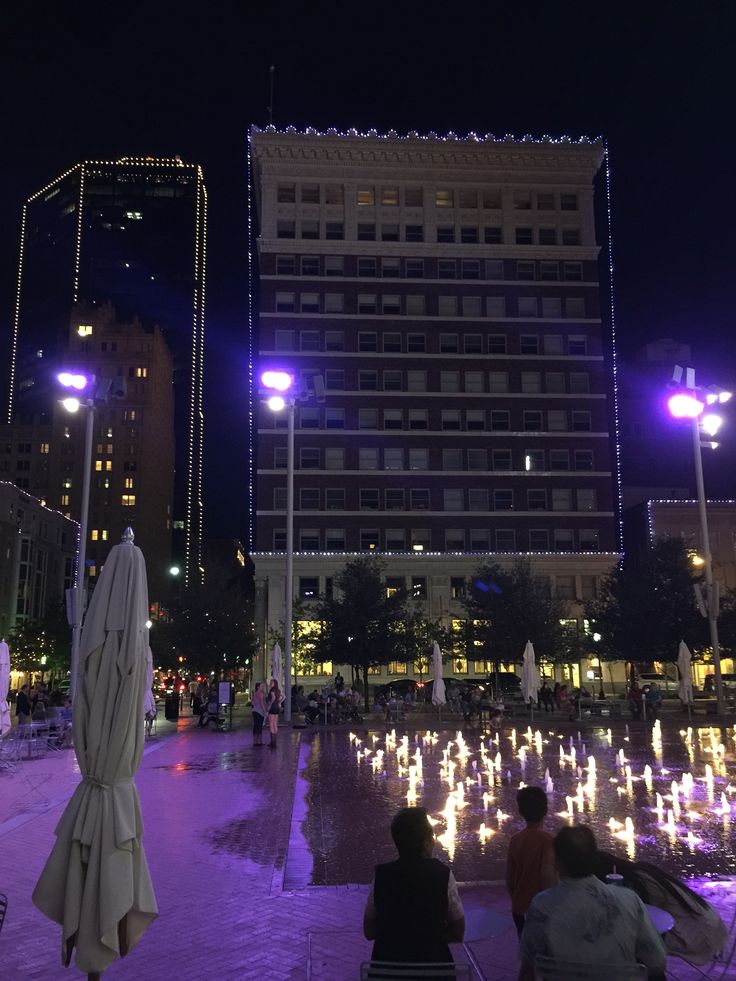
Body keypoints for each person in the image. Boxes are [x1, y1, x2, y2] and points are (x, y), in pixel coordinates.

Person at [518, 825, 666, 981]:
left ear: (558, 863)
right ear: (595, 859)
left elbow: (528, 963)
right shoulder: (629, 900)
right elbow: (657, 961)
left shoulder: (542, 906)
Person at [363, 806, 465, 968]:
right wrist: (430, 936)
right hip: (434, 970)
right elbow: (458, 932)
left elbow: (368, 931)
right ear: (425, 844)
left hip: (388, 971)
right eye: (432, 836)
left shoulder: (381, 876)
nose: (434, 840)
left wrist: (396, 936)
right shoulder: (443, 875)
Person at [593, 850, 728, 967]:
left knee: (632, 941)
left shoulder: (638, 884)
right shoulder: (641, 870)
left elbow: (636, 922)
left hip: (699, 937)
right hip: (711, 922)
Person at [506, 786, 556, 937]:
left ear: (520, 812)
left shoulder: (515, 840)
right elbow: (547, 875)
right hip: (542, 909)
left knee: (526, 949)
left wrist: (516, 898)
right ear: (546, 810)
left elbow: (510, 878)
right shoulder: (549, 840)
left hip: (519, 909)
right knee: (544, 951)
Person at [266, 680, 282, 746]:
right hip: (277, 708)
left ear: (274, 684)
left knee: (271, 724)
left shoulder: (272, 690)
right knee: (275, 723)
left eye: (271, 683)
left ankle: (272, 742)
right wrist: (279, 702)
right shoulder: (278, 690)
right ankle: (275, 741)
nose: (270, 684)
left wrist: (269, 705)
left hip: (272, 708)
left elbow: (273, 697)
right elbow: (284, 696)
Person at [252, 681, 267, 746]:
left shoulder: (255, 693)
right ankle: (259, 741)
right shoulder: (260, 693)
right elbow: (262, 703)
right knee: (259, 726)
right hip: (259, 712)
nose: (263, 687)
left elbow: (253, 703)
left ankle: (255, 741)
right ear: (258, 687)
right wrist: (264, 711)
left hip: (255, 711)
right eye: (262, 686)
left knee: (256, 726)